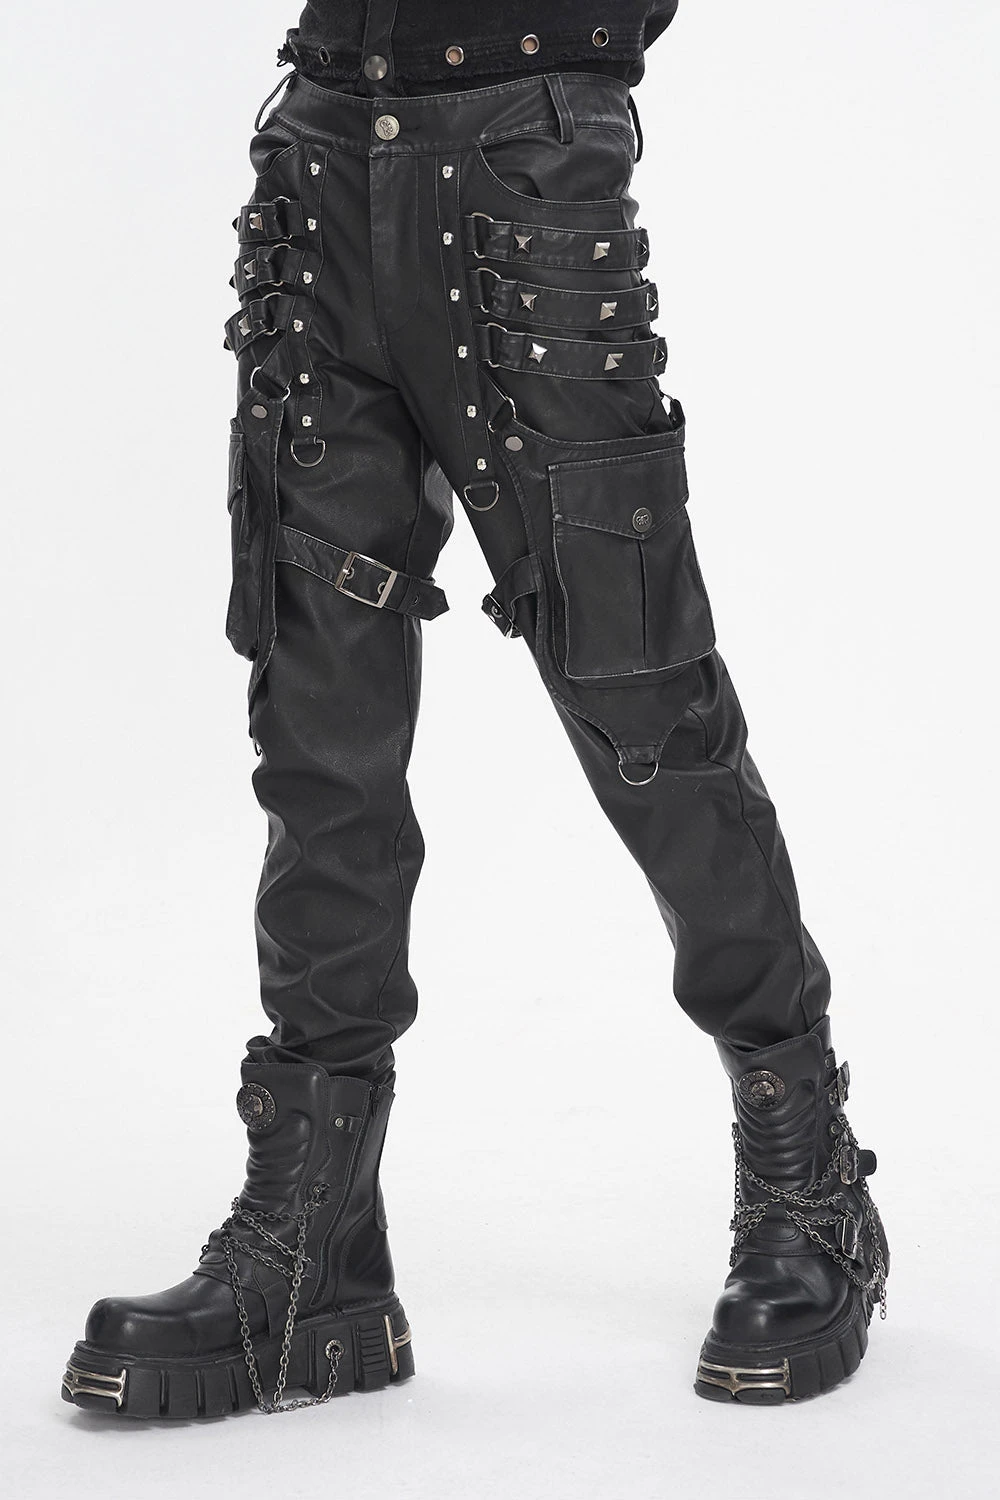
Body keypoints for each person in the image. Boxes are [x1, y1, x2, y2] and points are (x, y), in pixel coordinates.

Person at [61, 1, 888, 1418]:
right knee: (316, 722)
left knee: (640, 701)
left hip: (528, 157)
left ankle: (808, 1180)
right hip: (323, 142)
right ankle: (315, 1244)